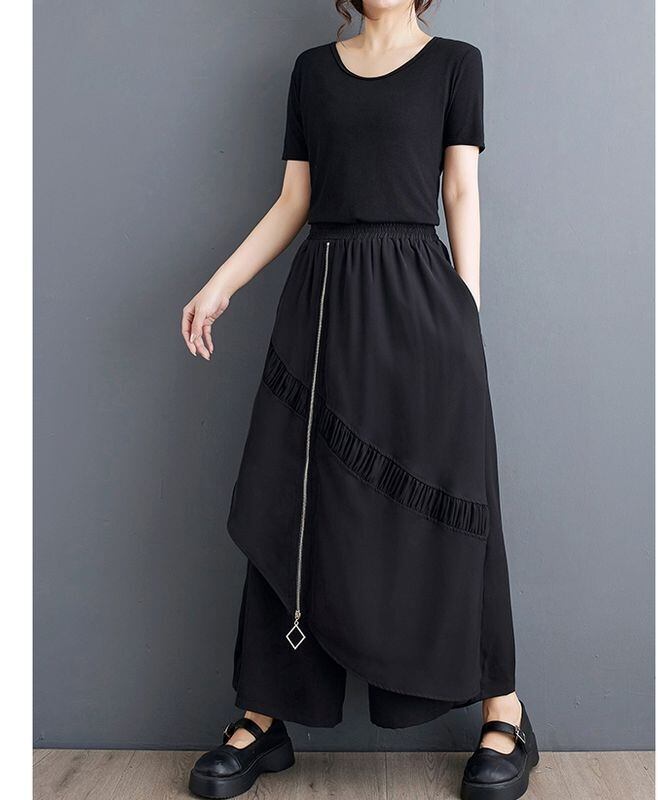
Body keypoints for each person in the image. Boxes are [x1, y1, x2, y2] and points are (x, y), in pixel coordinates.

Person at [181, 2, 538, 798]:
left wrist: (466, 318)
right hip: (322, 303)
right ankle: (263, 716)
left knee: (454, 499)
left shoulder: (456, 63)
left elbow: (460, 191)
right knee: (293, 498)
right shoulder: (312, 71)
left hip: (420, 303)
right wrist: (221, 285)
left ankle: (504, 711)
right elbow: (294, 200)